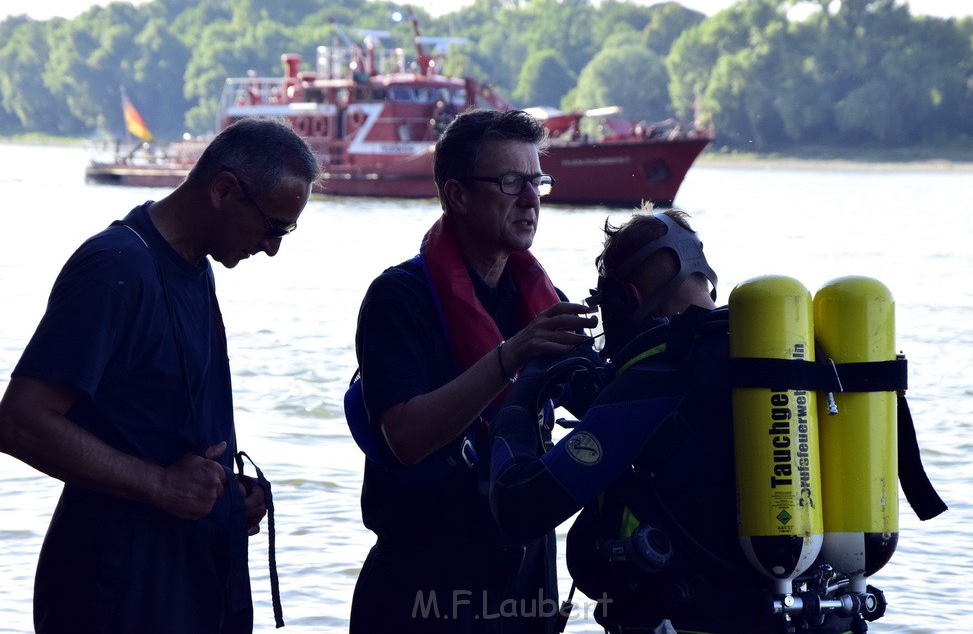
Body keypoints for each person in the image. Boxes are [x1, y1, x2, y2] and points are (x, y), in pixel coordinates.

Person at [0, 117, 321, 634]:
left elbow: (156, 423)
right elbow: (19, 421)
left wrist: (224, 497)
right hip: (118, 589)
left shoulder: (196, 266)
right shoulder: (115, 267)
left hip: (188, 579)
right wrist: (160, 484)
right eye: (273, 226)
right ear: (223, 190)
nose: (272, 247)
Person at [489, 206, 863, 633]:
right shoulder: (779, 365)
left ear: (624, 299)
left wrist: (520, 394)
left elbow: (519, 505)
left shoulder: (656, 380)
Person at [347, 108, 598, 633]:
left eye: (537, 181)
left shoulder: (542, 304)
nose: (531, 200)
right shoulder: (398, 298)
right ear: (456, 195)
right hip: (422, 590)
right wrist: (511, 357)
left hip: (525, 586)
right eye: (510, 182)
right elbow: (405, 439)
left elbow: (604, 412)